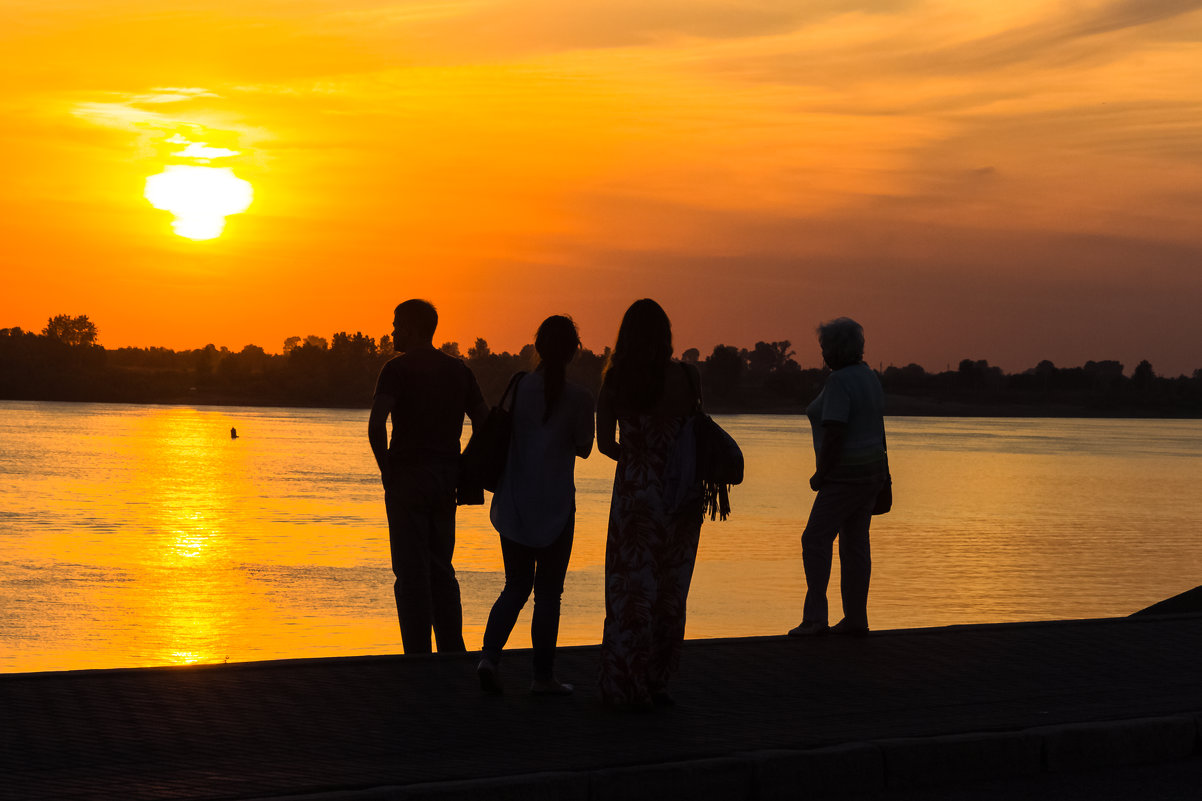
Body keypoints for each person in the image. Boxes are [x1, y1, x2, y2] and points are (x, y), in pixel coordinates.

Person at [477, 315, 595, 696]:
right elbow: (584, 448)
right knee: (548, 594)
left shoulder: (518, 386)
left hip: (514, 501)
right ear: (573, 352)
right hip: (556, 507)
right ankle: (542, 678)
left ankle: (489, 658)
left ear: (537, 348)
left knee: (515, 586)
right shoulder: (580, 398)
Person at [596, 298, 704, 710]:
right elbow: (696, 432)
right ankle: (659, 683)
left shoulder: (615, 382)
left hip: (635, 499)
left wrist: (638, 453)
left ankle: (625, 682)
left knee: (630, 589)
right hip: (681, 498)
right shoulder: (689, 377)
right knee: (670, 590)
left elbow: (606, 445)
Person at [368, 299, 488, 655]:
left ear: (412, 327)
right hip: (445, 479)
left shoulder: (396, 369)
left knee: (409, 572)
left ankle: (416, 655)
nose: (391, 331)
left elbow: (376, 425)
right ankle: (453, 651)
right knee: (441, 568)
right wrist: (465, 463)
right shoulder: (459, 371)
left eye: (396, 324)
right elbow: (483, 420)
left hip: (407, 478)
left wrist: (386, 471)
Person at [789, 317, 889, 638]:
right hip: (870, 474)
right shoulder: (869, 377)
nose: (823, 355)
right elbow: (878, 429)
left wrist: (821, 475)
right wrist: (886, 479)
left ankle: (815, 619)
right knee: (855, 544)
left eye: (824, 348)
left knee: (815, 539)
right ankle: (856, 618)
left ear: (836, 349)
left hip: (844, 476)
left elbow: (834, 432)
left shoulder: (839, 382)